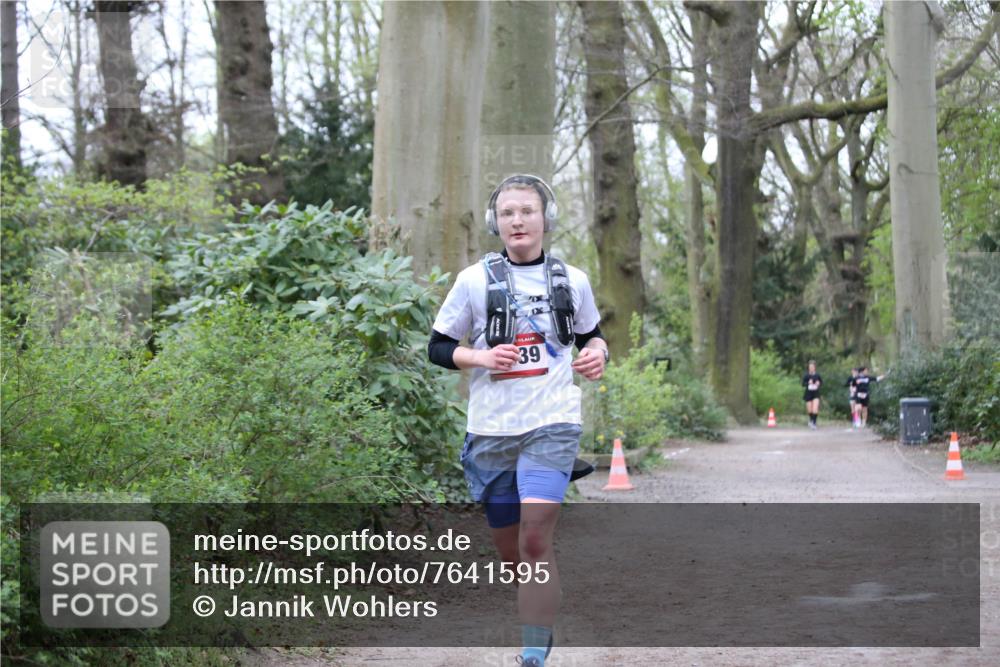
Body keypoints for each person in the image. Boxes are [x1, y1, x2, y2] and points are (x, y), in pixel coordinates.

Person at [427, 174, 608, 667]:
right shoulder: (472, 281)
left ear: (545, 218)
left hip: (552, 421)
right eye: (507, 212)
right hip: (491, 430)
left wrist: (597, 355)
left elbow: (593, 336)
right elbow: (438, 348)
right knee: (515, 553)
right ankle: (538, 608)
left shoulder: (573, 280)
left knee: (534, 536)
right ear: (496, 223)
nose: (517, 220)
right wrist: (480, 358)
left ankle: (532, 653)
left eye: (526, 210)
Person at [801, 360, 823, 429]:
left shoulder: (817, 375)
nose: (811, 368)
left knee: (815, 408)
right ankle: (811, 420)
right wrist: (808, 383)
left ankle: (814, 422)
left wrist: (818, 383)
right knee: (809, 409)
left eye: (812, 367)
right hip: (808, 393)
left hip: (816, 393)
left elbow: (821, 383)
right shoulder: (806, 375)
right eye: (810, 367)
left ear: (815, 367)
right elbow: (802, 384)